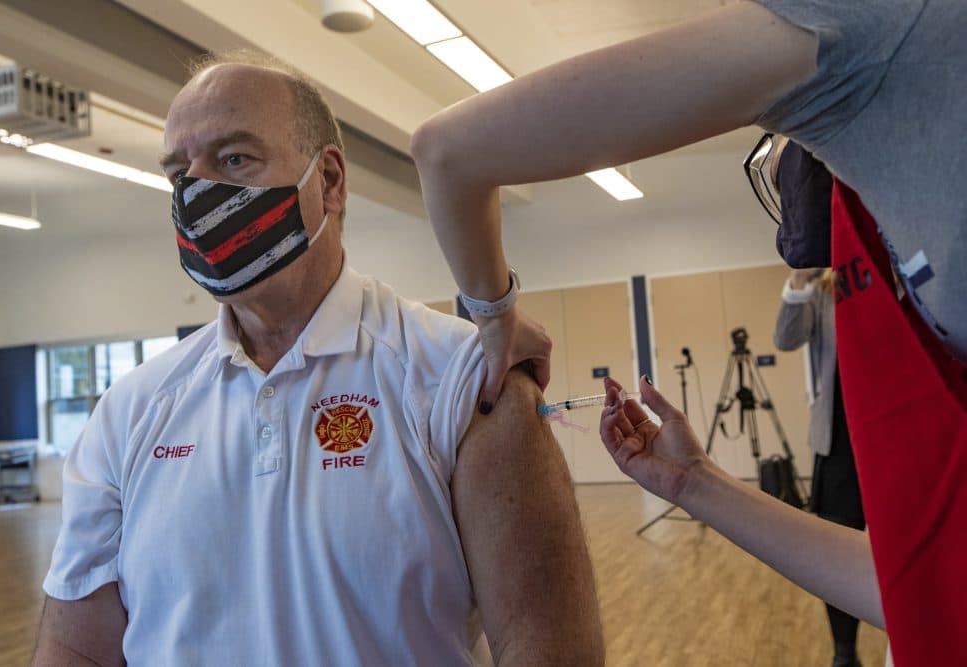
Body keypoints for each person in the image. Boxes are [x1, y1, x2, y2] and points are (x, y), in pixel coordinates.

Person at [411, 2, 966, 664]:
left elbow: (447, 151)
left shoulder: (877, 25)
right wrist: (694, 482)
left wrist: (497, 317)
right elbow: (924, 589)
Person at [33, 51, 603, 666]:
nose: (197, 194)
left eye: (234, 159)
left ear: (328, 181)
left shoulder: (463, 381)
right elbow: (76, 650)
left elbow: (548, 648)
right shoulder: (129, 411)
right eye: (179, 173)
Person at [775, 267, 865, 667]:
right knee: (838, 551)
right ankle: (844, 652)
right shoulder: (828, 288)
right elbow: (786, 338)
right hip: (841, 439)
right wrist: (799, 282)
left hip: (906, 432)